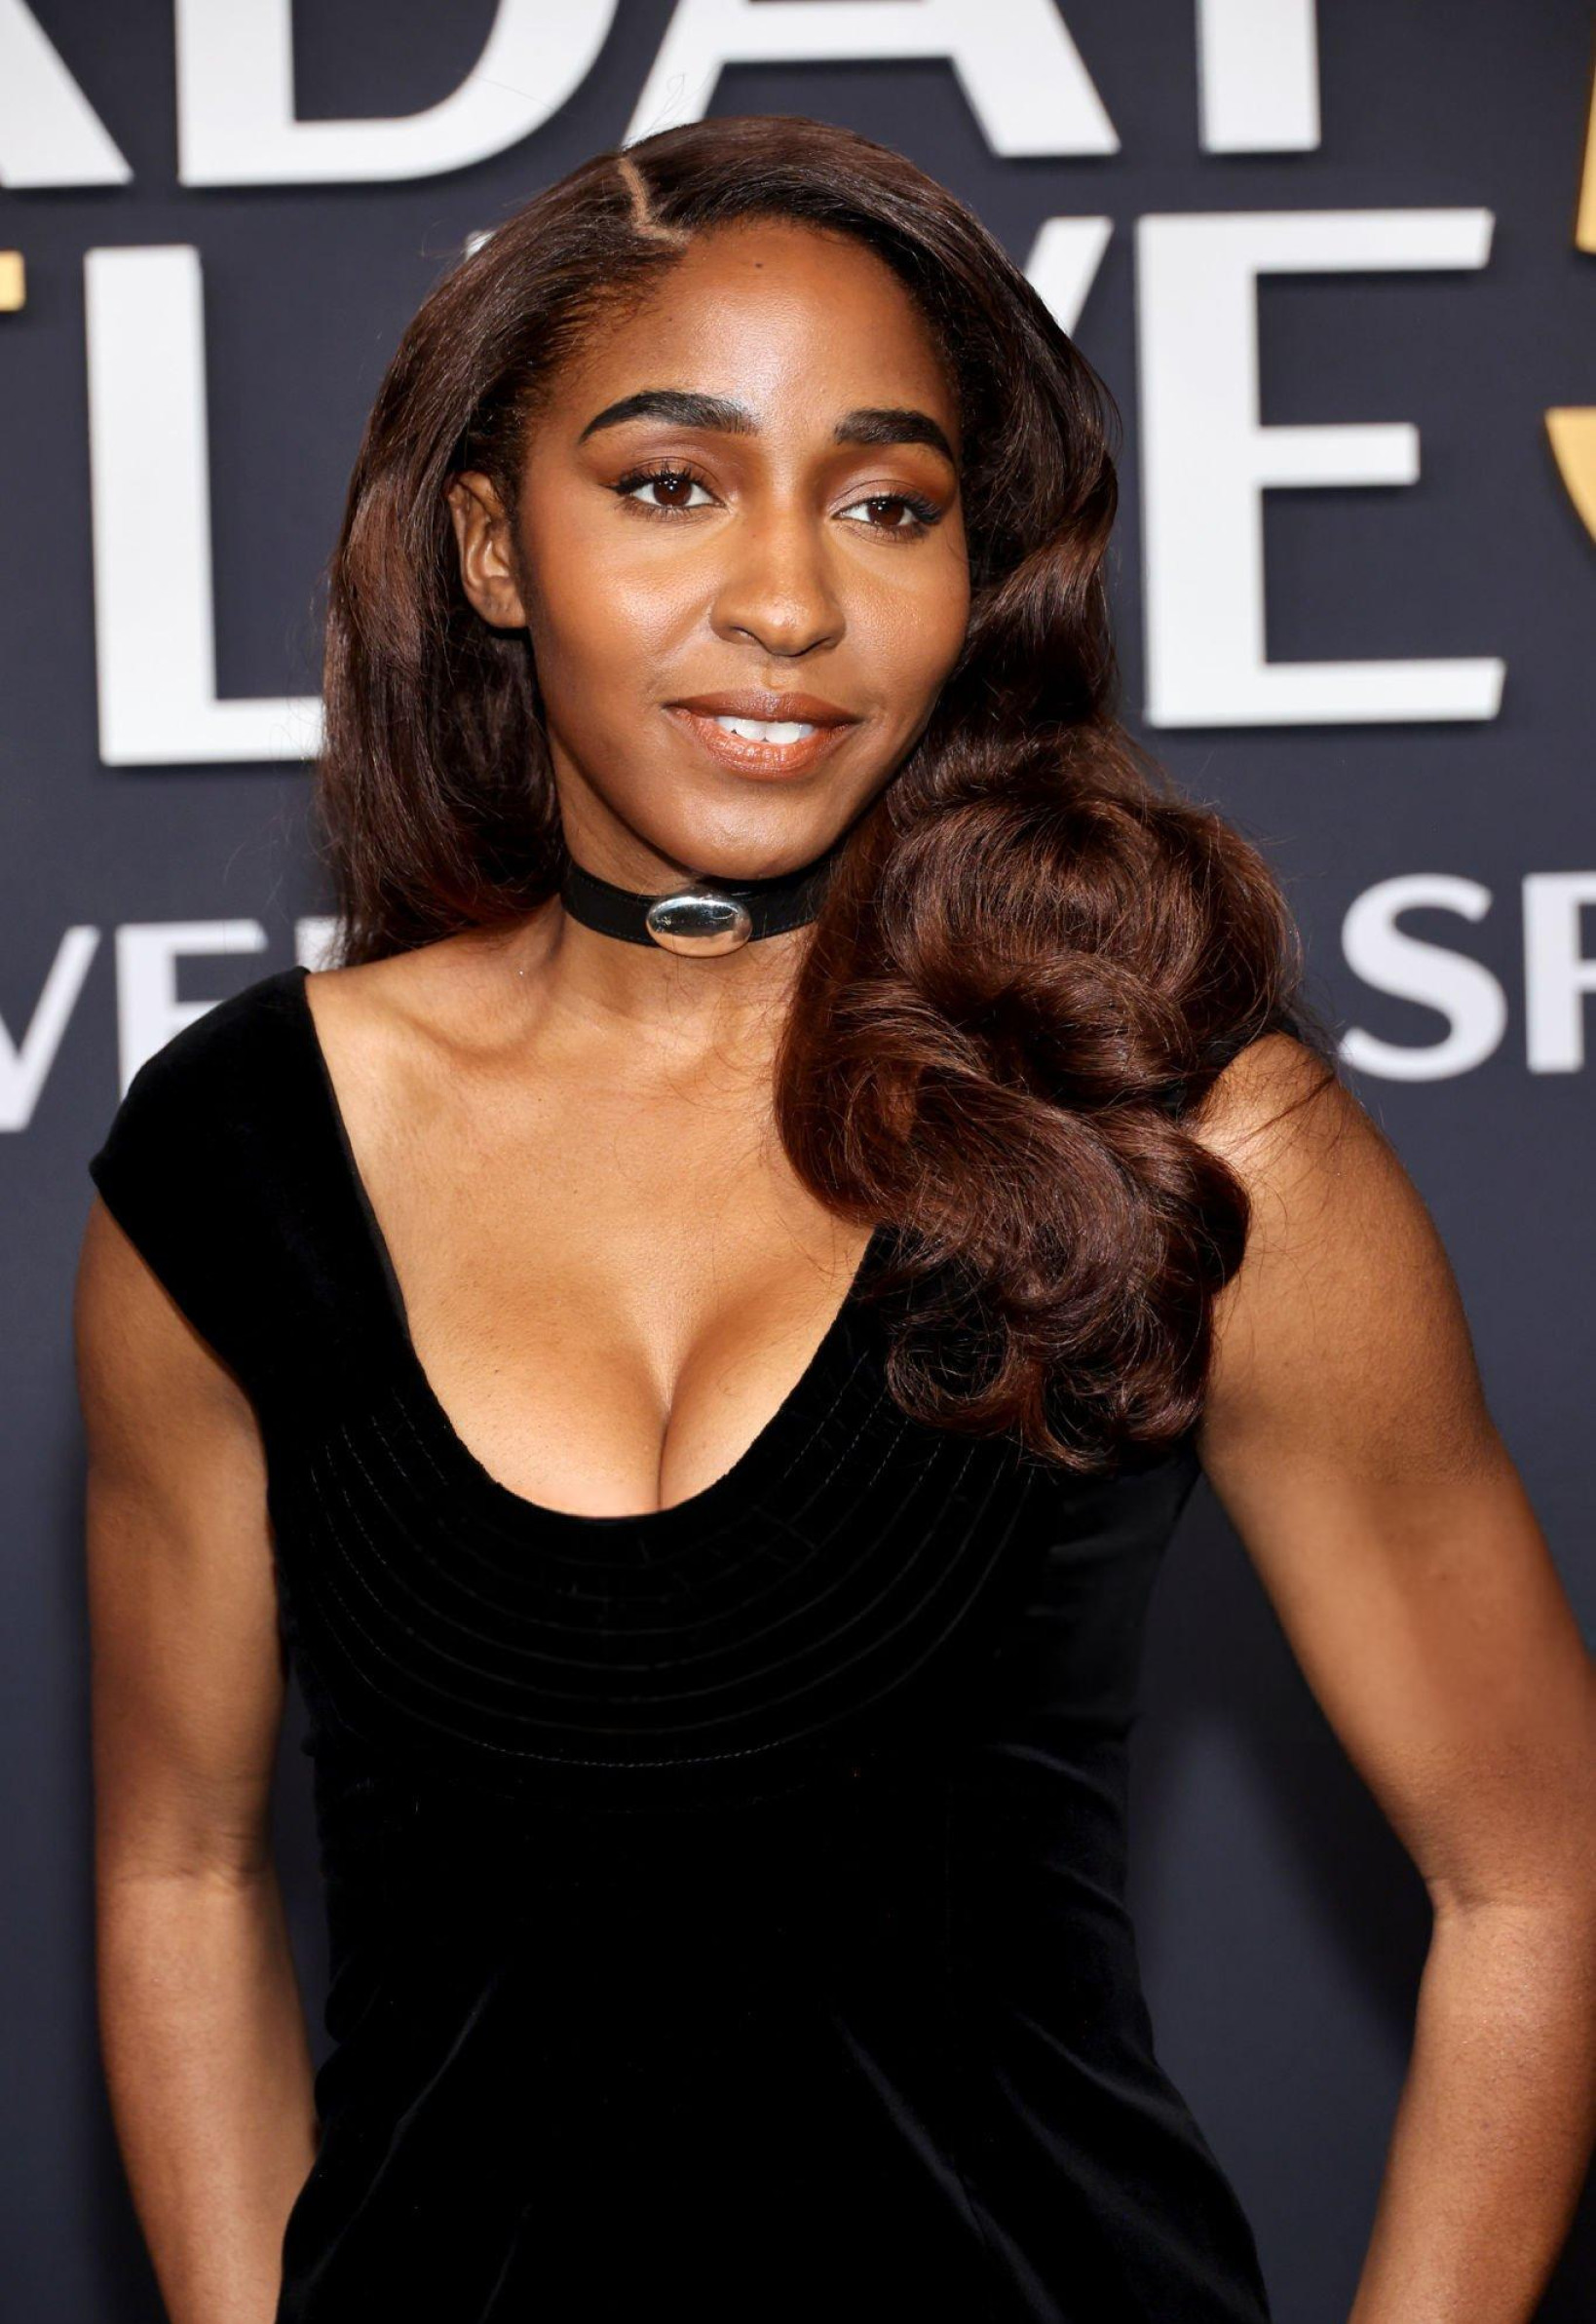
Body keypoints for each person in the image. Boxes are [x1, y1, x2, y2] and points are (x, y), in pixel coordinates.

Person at [74, 114, 1595, 2324]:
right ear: (492, 546)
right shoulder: (240, 1163)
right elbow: (177, 1870)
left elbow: (1537, 1866)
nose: (787, 601)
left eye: (887, 504)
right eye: (669, 484)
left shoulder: (1170, 1127)